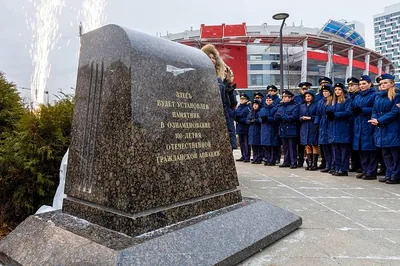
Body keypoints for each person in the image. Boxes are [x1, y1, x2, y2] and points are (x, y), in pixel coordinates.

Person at [201, 44, 237, 149]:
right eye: (209, 57)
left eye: (213, 58)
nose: (212, 60)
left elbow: (230, 104)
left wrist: (230, 93)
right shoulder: (201, 77)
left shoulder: (220, 81)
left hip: (222, 118)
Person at [369, 74, 400, 184]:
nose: (382, 85)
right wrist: (374, 118)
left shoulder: (397, 95)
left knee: (394, 153)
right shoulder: (378, 96)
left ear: (392, 83)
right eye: (381, 84)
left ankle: (395, 175)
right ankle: (389, 173)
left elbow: (395, 112)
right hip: (381, 128)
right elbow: (374, 111)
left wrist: (380, 120)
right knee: (385, 153)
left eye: (385, 83)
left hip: (392, 127)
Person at [351, 75, 378, 180]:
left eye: (364, 84)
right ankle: (365, 169)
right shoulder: (357, 96)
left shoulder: (374, 95)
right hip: (358, 124)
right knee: (362, 149)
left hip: (368, 124)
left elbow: (375, 109)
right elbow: (353, 107)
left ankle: (371, 171)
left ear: (369, 84)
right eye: (360, 84)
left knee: (370, 149)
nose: (362, 86)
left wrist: (363, 110)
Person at [326, 83, 352, 176]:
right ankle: (337, 168)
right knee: (335, 150)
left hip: (343, 128)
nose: (337, 91)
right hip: (333, 128)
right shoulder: (332, 102)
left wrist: (336, 115)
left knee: (344, 150)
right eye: (336, 90)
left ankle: (343, 169)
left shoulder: (347, 100)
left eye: (339, 89)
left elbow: (348, 112)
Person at [274, 90, 300, 168]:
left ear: (290, 98)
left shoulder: (295, 106)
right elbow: (276, 115)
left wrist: (283, 117)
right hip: (283, 128)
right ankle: (286, 161)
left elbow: (294, 117)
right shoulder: (280, 106)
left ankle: (293, 162)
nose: (284, 99)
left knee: (292, 147)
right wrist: (277, 117)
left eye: (286, 97)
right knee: (285, 147)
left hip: (291, 128)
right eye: (283, 97)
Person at [315, 84, 334, 173]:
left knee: (331, 147)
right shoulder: (320, 101)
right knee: (325, 147)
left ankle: (333, 165)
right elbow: (318, 113)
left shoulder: (333, 100)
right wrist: (316, 123)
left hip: (330, 122)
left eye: (326, 91)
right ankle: (328, 164)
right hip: (322, 124)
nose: (325, 93)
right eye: (323, 91)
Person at [299, 90, 319, 170]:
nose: (307, 97)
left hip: (312, 125)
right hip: (304, 126)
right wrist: (301, 118)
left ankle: (314, 163)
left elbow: (317, 115)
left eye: (309, 96)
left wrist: (310, 118)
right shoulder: (302, 106)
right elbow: (299, 116)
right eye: (306, 96)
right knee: (307, 144)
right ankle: (309, 163)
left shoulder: (316, 105)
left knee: (314, 144)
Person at [294, 82, 312, 167]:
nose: (304, 91)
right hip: (299, 123)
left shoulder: (312, 98)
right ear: (300, 90)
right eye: (303, 89)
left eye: (306, 89)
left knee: (309, 143)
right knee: (300, 143)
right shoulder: (296, 98)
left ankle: (310, 161)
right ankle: (300, 160)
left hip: (309, 123)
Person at [347, 77, 362, 173]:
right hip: (350, 122)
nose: (350, 87)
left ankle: (359, 164)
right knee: (352, 144)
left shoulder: (358, 96)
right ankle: (354, 163)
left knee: (359, 144)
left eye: (353, 85)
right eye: (349, 85)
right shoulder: (349, 96)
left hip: (357, 121)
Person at [259, 94, 280, 166]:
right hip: (264, 129)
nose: (268, 101)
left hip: (272, 129)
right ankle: (267, 159)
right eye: (267, 100)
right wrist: (262, 119)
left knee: (273, 146)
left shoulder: (275, 108)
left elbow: (276, 118)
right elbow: (259, 118)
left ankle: (272, 160)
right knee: (266, 146)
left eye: (270, 100)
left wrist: (268, 119)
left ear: (272, 101)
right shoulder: (262, 109)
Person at [234, 93, 251, 162]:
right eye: (241, 99)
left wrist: (239, 119)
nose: (242, 100)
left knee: (246, 143)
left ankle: (247, 156)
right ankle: (243, 155)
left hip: (245, 127)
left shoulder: (248, 107)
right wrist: (237, 118)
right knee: (241, 143)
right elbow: (236, 115)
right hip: (240, 127)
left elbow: (247, 118)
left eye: (243, 99)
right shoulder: (239, 107)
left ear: (246, 100)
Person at [247, 99, 263, 164]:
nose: (255, 106)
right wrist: (250, 121)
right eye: (254, 105)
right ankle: (255, 157)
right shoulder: (251, 112)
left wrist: (255, 120)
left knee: (258, 146)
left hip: (258, 130)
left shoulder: (260, 112)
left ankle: (259, 158)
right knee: (253, 146)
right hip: (251, 130)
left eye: (256, 105)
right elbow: (247, 120)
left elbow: (260, 120)